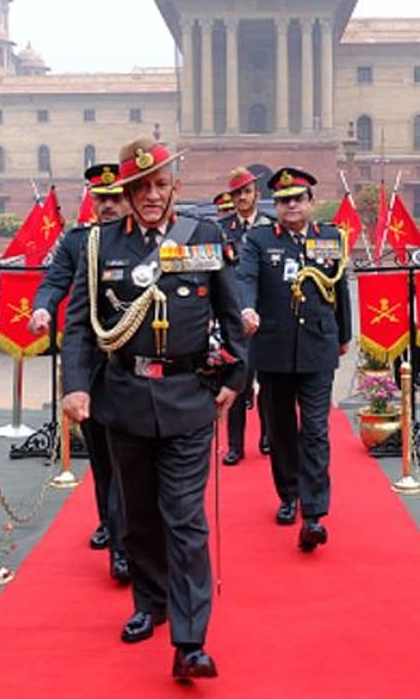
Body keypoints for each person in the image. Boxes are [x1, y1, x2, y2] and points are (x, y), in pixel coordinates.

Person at [61, 137, 244, 682]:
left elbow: (230, 312)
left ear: (174, 189)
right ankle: (151, 602)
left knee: (184, 518)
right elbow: (79, 325)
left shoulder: (204, 236)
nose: (150, 196)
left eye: (159, 185)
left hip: (189, 398)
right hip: (125, 399)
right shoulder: (99, 247)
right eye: (140, 187)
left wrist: (235, 376)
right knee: (138, 516)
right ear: (126, 190)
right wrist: (75, 386)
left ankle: (190, 642)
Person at [237, 167, 351, 551]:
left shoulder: (331, 238)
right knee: (282, 429)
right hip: (272, 351)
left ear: (310, 203)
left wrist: (344, 334)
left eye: (297, 199)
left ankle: (315, 512)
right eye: (284, 200)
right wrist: (246, 309)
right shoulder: (259, 239)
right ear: (276, 205)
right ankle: (288, 494)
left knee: (316, 429)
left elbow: (339, 288)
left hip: (318, 347)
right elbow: (245, 278)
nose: (291, 206)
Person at [29, 163, 130, 582]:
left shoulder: (141, 241)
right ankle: (109, 521)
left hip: (132, 362)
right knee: (102, 456)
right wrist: (41, 308)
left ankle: (125, 543)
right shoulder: (77, 242)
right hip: (92, 364)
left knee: (127, 457)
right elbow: (54, 282)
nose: (107, 205)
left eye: (114, 197)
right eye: (100, 197)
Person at [217, 167, 275, 465]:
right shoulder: (221, 229)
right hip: (233, 319)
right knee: (237, 382)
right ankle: (235, 445)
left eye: (247, 192)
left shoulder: (271, 227)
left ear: (257, 194)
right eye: (237, 193)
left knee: (266, 383)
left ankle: (267, 436)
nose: (242, 197)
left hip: (265, 317)